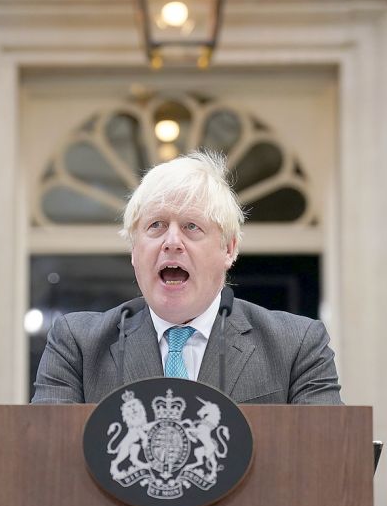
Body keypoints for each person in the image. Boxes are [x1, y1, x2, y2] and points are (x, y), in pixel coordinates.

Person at [31, 150, 342, 405]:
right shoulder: (78, 346)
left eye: (192, 226)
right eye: (156, 226)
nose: (172, 241)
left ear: (229, 248)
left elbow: (329, 463)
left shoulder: (297, 346)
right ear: (134, 249)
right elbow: (48, 460)